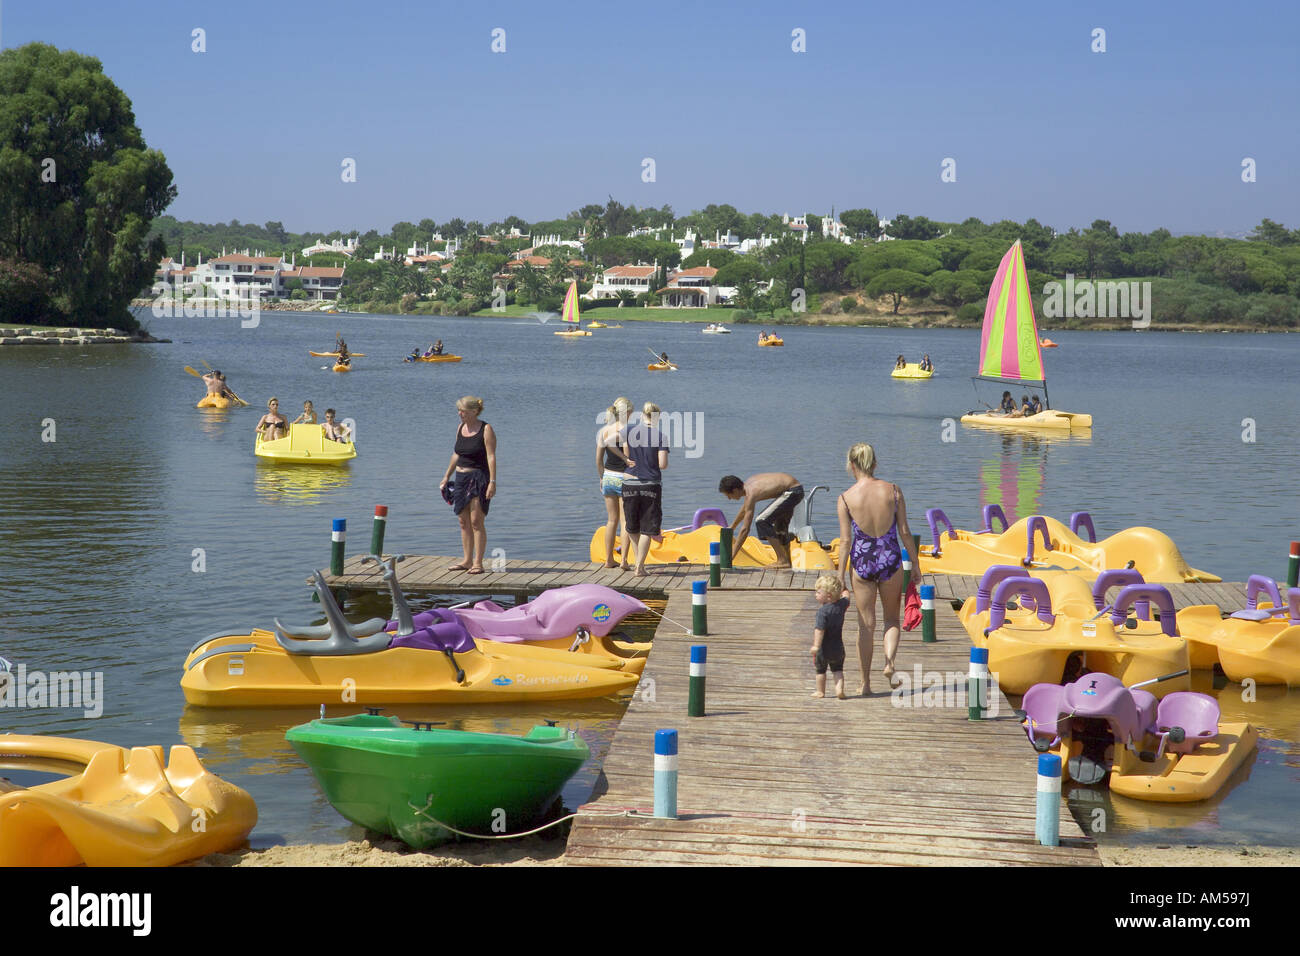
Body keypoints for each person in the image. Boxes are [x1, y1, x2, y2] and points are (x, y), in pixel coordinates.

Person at [837, 442, 915, 695]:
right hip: (890, 558)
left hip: (862, 561)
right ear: (874, 463)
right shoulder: (893, 491)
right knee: (891, 618)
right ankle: (889, 663)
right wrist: (915, 565)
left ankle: (865, 684)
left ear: (851, 465)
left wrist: (840, 576)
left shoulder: (845, 498)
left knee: (865, 625)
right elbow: (904, 531)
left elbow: (846, 541)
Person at [439, 396, 497, 574]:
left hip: (479, 477)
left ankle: (478, 563)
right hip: (461, 478)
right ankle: (466, 560)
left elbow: (491, 456)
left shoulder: (486, 429)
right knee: (463, 521)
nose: (459, 413)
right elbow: (456, 454)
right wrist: (446, 475)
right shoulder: (460, 428)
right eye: (458, 410)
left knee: (476, 521)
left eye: (463, 410)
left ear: (473, 411)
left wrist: (492, 482)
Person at [620, 401, 669, 577]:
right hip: (650, 484)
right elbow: (663, 464)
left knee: (632, 527)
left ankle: (637, 563)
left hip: (629, 482)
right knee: (648, 528)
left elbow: (627, 456)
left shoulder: (628, 431)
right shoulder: (661, 436)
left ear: (642, 415)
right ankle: (639, 567)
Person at [719, 472, 804, 568]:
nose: (729, 499)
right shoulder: (748, 485)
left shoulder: (751, 493)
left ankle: (782, 560)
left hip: (792, 491)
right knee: (780, 527)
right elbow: (745, 510)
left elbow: (745, 530)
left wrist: (732, 556)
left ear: (735, 490)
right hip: (794, 490)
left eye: (728, 495)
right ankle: (787, 561)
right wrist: (733, 526)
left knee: (762, 520)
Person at [597, 397, 634, 569]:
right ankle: (624, 561)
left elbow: (598, 459)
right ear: (626, 413)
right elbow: (629, 457)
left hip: (608, 477)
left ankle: (608, 559)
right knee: (625, 521)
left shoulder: (604, 431)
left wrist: (601, 478)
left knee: (611, 520)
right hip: (623, 477)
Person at [811, 575, 849, 700]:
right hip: (838, 647)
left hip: (823, 648)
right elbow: (846, 596)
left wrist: (816, 646)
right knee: (838, 670)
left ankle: (820, 691)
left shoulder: (822, 612)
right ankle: (839, 689)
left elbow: (819, 630)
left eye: (818, 592)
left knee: (820, 670)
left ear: (828, 596)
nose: (815, 594)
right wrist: (843, 587)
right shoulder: (841, 605)